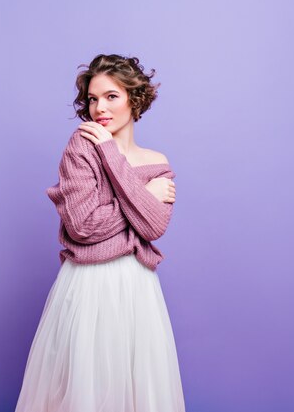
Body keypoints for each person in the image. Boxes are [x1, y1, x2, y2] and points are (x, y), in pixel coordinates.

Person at [14, 53, 185, 412]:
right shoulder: (82, 147)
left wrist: (115, 164)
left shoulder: (159, 161)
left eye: (111, 96)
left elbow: (154, 226)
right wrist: (142, 193)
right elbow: (83, 226)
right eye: (93, 98)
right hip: (88, 287)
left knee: (136, 391)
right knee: (85, 392)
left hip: (137, 288)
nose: (99, 108)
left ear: (133, 99)